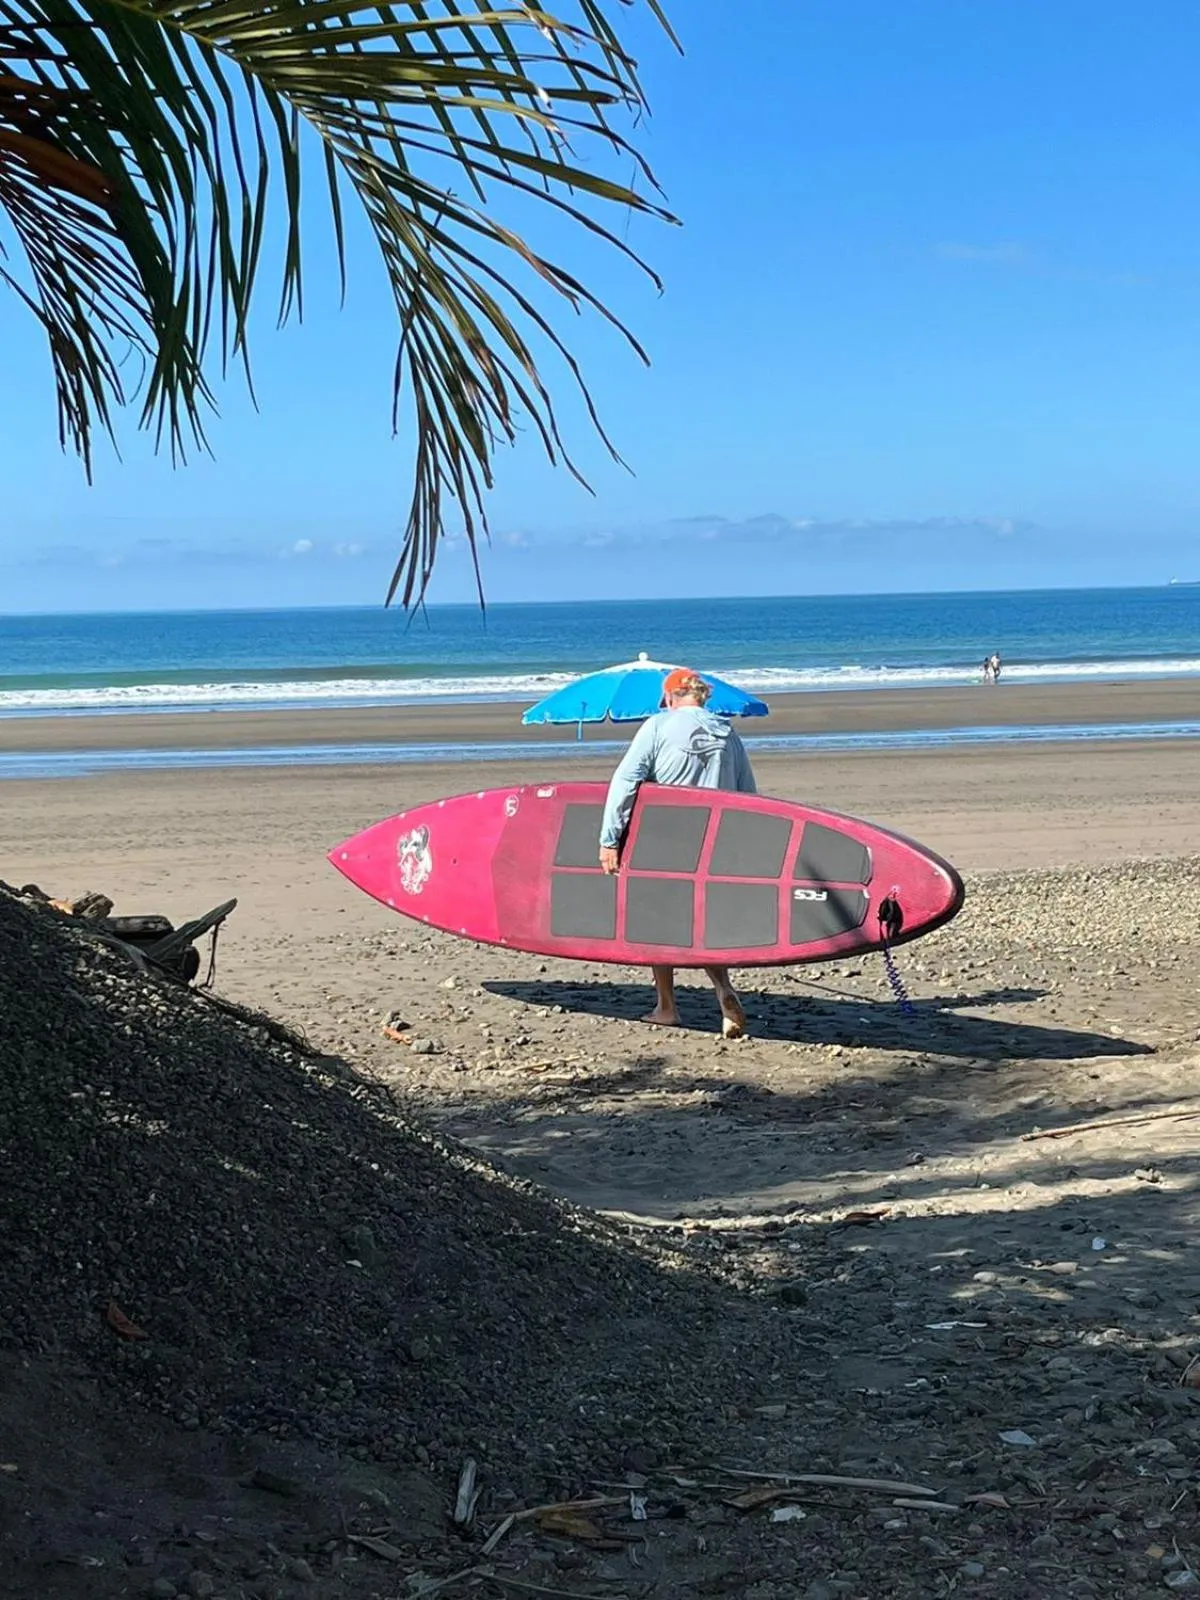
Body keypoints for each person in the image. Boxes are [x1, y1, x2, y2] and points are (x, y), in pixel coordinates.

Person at [598, 666, 757, 1038]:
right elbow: (748, 794)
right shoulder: (727, 731)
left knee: (657, 921)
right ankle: (722, 989)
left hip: (667, 837)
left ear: (670, 697)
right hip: (716, 840)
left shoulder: (657, 726)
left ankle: (666, 1007)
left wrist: (609, 839)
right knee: (701, 922)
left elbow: (626, 781)